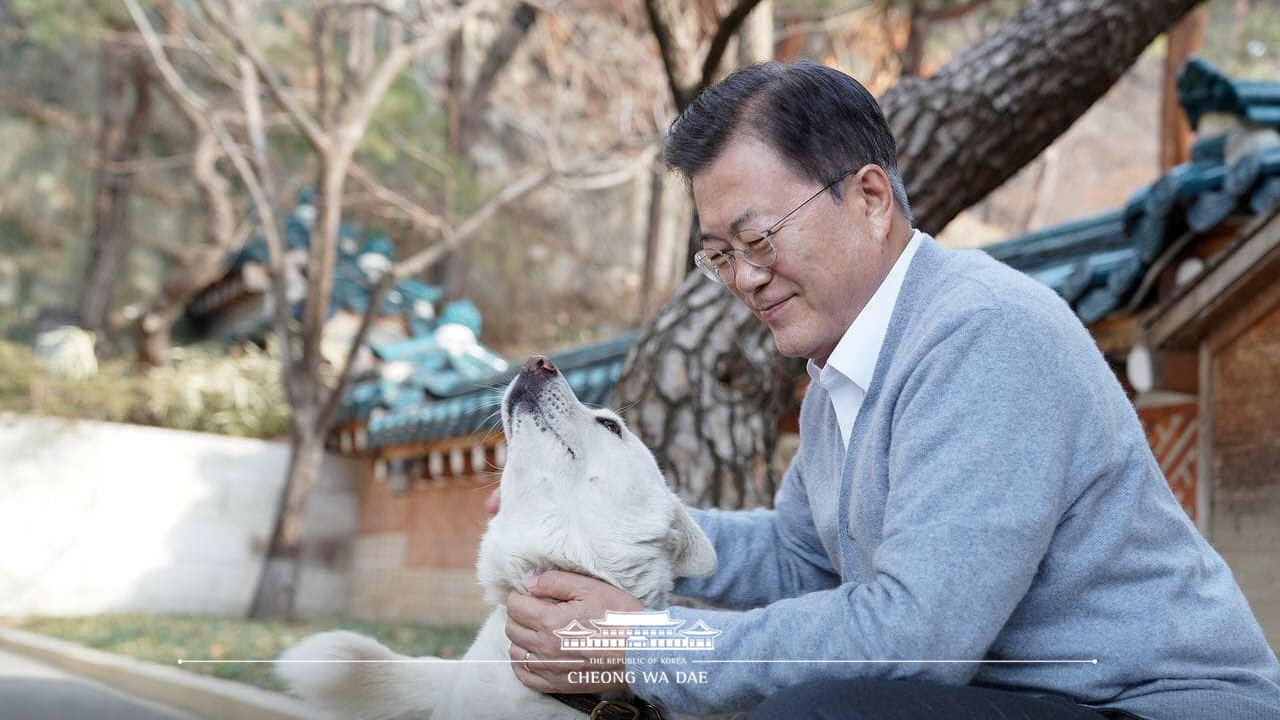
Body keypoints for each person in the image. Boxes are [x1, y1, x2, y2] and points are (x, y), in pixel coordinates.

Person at [498, 61, 1280, 720]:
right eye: (719, 255)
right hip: (1034, 700)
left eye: (759, 238)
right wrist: (630, 523)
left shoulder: (982, 334)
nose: (744, 277)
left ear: (870, 198)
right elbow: (805, 557)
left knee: (822, 714)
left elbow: (915, 635)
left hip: (1154, 703)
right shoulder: (845, 366)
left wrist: (642, 646)